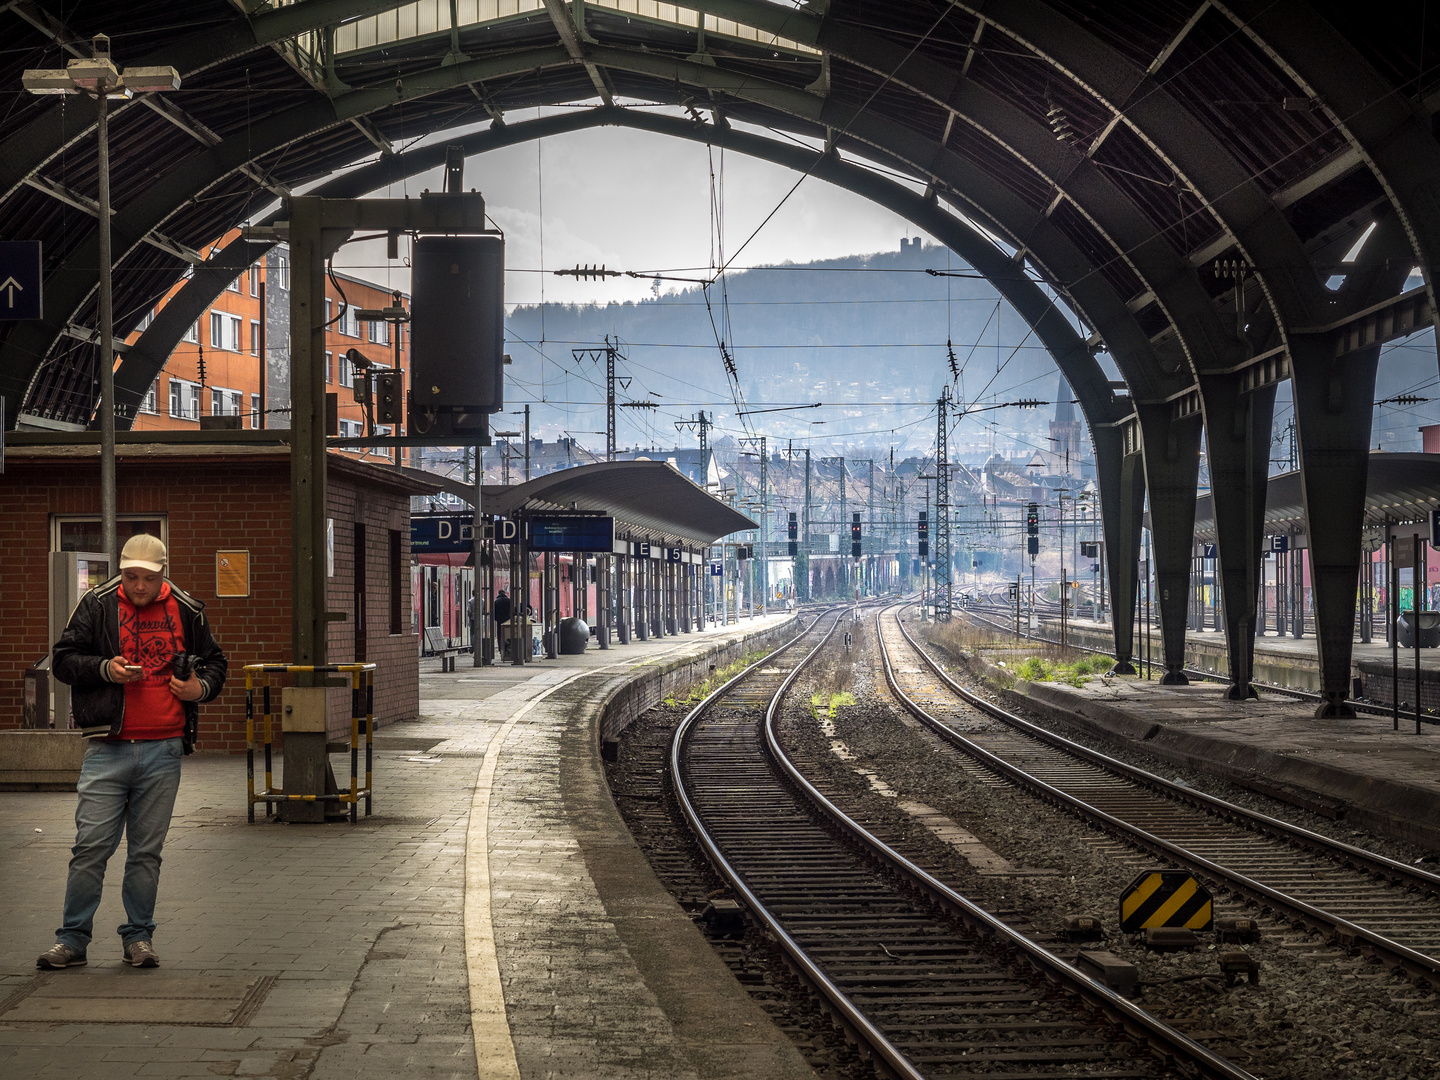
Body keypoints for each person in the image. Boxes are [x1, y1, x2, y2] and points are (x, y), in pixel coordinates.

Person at [37, 534, 228, 971]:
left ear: (163, 574)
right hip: (109, 746)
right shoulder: (97, 603)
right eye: (130, 577)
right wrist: (106, 669)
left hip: (163, 748)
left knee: (146, 852)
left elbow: (216, 662)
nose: (137, 586)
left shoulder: (187, 608)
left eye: (147, 578)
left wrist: (200, 687)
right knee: (90, 847)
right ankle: (72, 940)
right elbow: (63, 659)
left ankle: (139, 938)